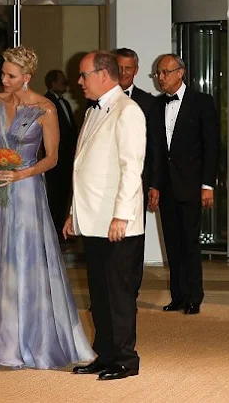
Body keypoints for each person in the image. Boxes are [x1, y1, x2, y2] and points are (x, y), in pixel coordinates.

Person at [0, 46, 94, 369]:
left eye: (11, 75)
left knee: (24, 261)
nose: (4, 79)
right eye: (2, 73)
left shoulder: (45, 109)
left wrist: (22, 173)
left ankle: (28, 339)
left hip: (27, 192)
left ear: (27, 78)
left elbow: (52, 158)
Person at [65, 50, 146, 380]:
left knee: (118, 294)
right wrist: (73, 212)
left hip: (116, 222)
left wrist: (121, 216)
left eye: (84, 75)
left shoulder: (128, 112)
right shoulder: (92, 111)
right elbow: (82, 167)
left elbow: (132, 168)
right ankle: (106, 354)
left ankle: (126, 359)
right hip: (93, 219)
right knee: (98, 292)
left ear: (104, 74)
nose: (79, 81)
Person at [149, 54, 220, 315]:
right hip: (166, 186)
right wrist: (154, 185)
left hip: (191, 184)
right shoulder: (156, 106)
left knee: (190, 243)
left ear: (181, 72)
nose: (161, 77)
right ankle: (177, 295)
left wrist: (207, 185)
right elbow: (155, 150)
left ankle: (193, 296)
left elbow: (212, 147)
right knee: (172, 243)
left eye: (165, 72)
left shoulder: (202, 103)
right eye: (158, 73)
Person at [114, 48, 157, 308]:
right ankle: (108, 295)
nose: (123, 73)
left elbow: (154, 148)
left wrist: (153, 184)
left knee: (133, 241)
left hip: (136, 183)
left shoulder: (148, 102)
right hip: (106, 184)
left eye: (128, 68)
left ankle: (130, 294)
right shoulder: (98, 100)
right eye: (118, 67)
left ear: (136, 71)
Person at [43, 69, 78, 238]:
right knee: (53, 196)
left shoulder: (65, 103)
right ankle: (52, 232)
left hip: (67, 159)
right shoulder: (46, 102)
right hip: (53, 159)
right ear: (53, 83)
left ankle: (60, 230)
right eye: (62, 81)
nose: (66, 84)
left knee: (64, 195)